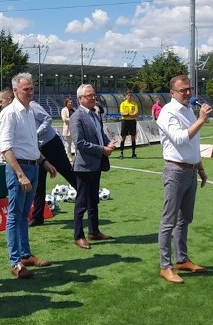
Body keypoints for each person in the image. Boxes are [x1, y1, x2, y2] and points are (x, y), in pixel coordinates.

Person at [156, 75, 213, 284]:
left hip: (190, 171)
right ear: (172, 93)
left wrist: (200, 168)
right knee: (168, 221)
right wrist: (201, 120)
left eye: (189, 89)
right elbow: (180, 138)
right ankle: (165, 266)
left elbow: (194, 144)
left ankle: (181, 259)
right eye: (183, 90)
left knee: (184, 219)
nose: (188, 93)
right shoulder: (167, 113)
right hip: (175, 170)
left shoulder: (188, 110)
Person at [0, 73, 55, 278]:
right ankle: (15, 262)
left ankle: (25, 254)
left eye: (31, 88)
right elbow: (6, 148)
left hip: (33, 166)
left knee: (23, 214)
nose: (31, 92)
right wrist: (20, 174)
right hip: (19, 169)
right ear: (15, 91)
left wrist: (44, 162)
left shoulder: (30, 112)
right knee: (14, 215)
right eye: (26, 89)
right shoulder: (9, 113)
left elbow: (31, 145)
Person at [70, 84, 117, 249]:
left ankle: (94, 231)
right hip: (84, 167)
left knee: (93, 200)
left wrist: (107, 143)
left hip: (96, 164)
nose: (93, 97)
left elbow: (99, 134)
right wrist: (102, 150)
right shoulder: (77, 117)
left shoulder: (95, 114)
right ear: (80, 99)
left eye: (94, 95)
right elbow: (80, 144)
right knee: (82, 202)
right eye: (89, 95)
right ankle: (78, 235)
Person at [29, 100, 76, 227]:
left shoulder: (32, 105)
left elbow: (48, 119)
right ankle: (38, 217)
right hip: (37, 149)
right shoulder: (14, 112)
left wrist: (34, 134)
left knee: (68, 173)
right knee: (38, 183)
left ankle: (88, 199)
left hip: (51, 144)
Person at [118, 90, 139, 158]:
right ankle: (121, 153)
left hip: (132, 121)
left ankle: (133, 153)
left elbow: (136, 113)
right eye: (128, 95)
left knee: (133, 137)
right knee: (123, 137)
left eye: (130, 95)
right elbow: (122, 113)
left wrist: (128, 114)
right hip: (125, 121)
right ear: (126, 96)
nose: (129, 97)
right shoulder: (123, 104)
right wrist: (130, 114)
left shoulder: (134, 104)